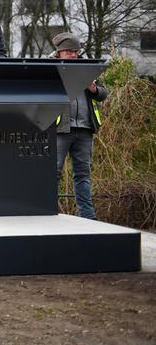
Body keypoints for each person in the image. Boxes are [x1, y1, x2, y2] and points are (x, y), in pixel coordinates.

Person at [51, 32, 107, 220]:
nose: (73, 55)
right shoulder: (48, 67)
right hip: (60, 129)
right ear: (59, 52)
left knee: (83, 175)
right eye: (68, 51)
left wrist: (93, 88)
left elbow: (103, 94)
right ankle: (48, 212)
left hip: (85, 129)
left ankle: (88, 217)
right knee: (53, 173)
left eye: (75, 51)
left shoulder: (87, 67)